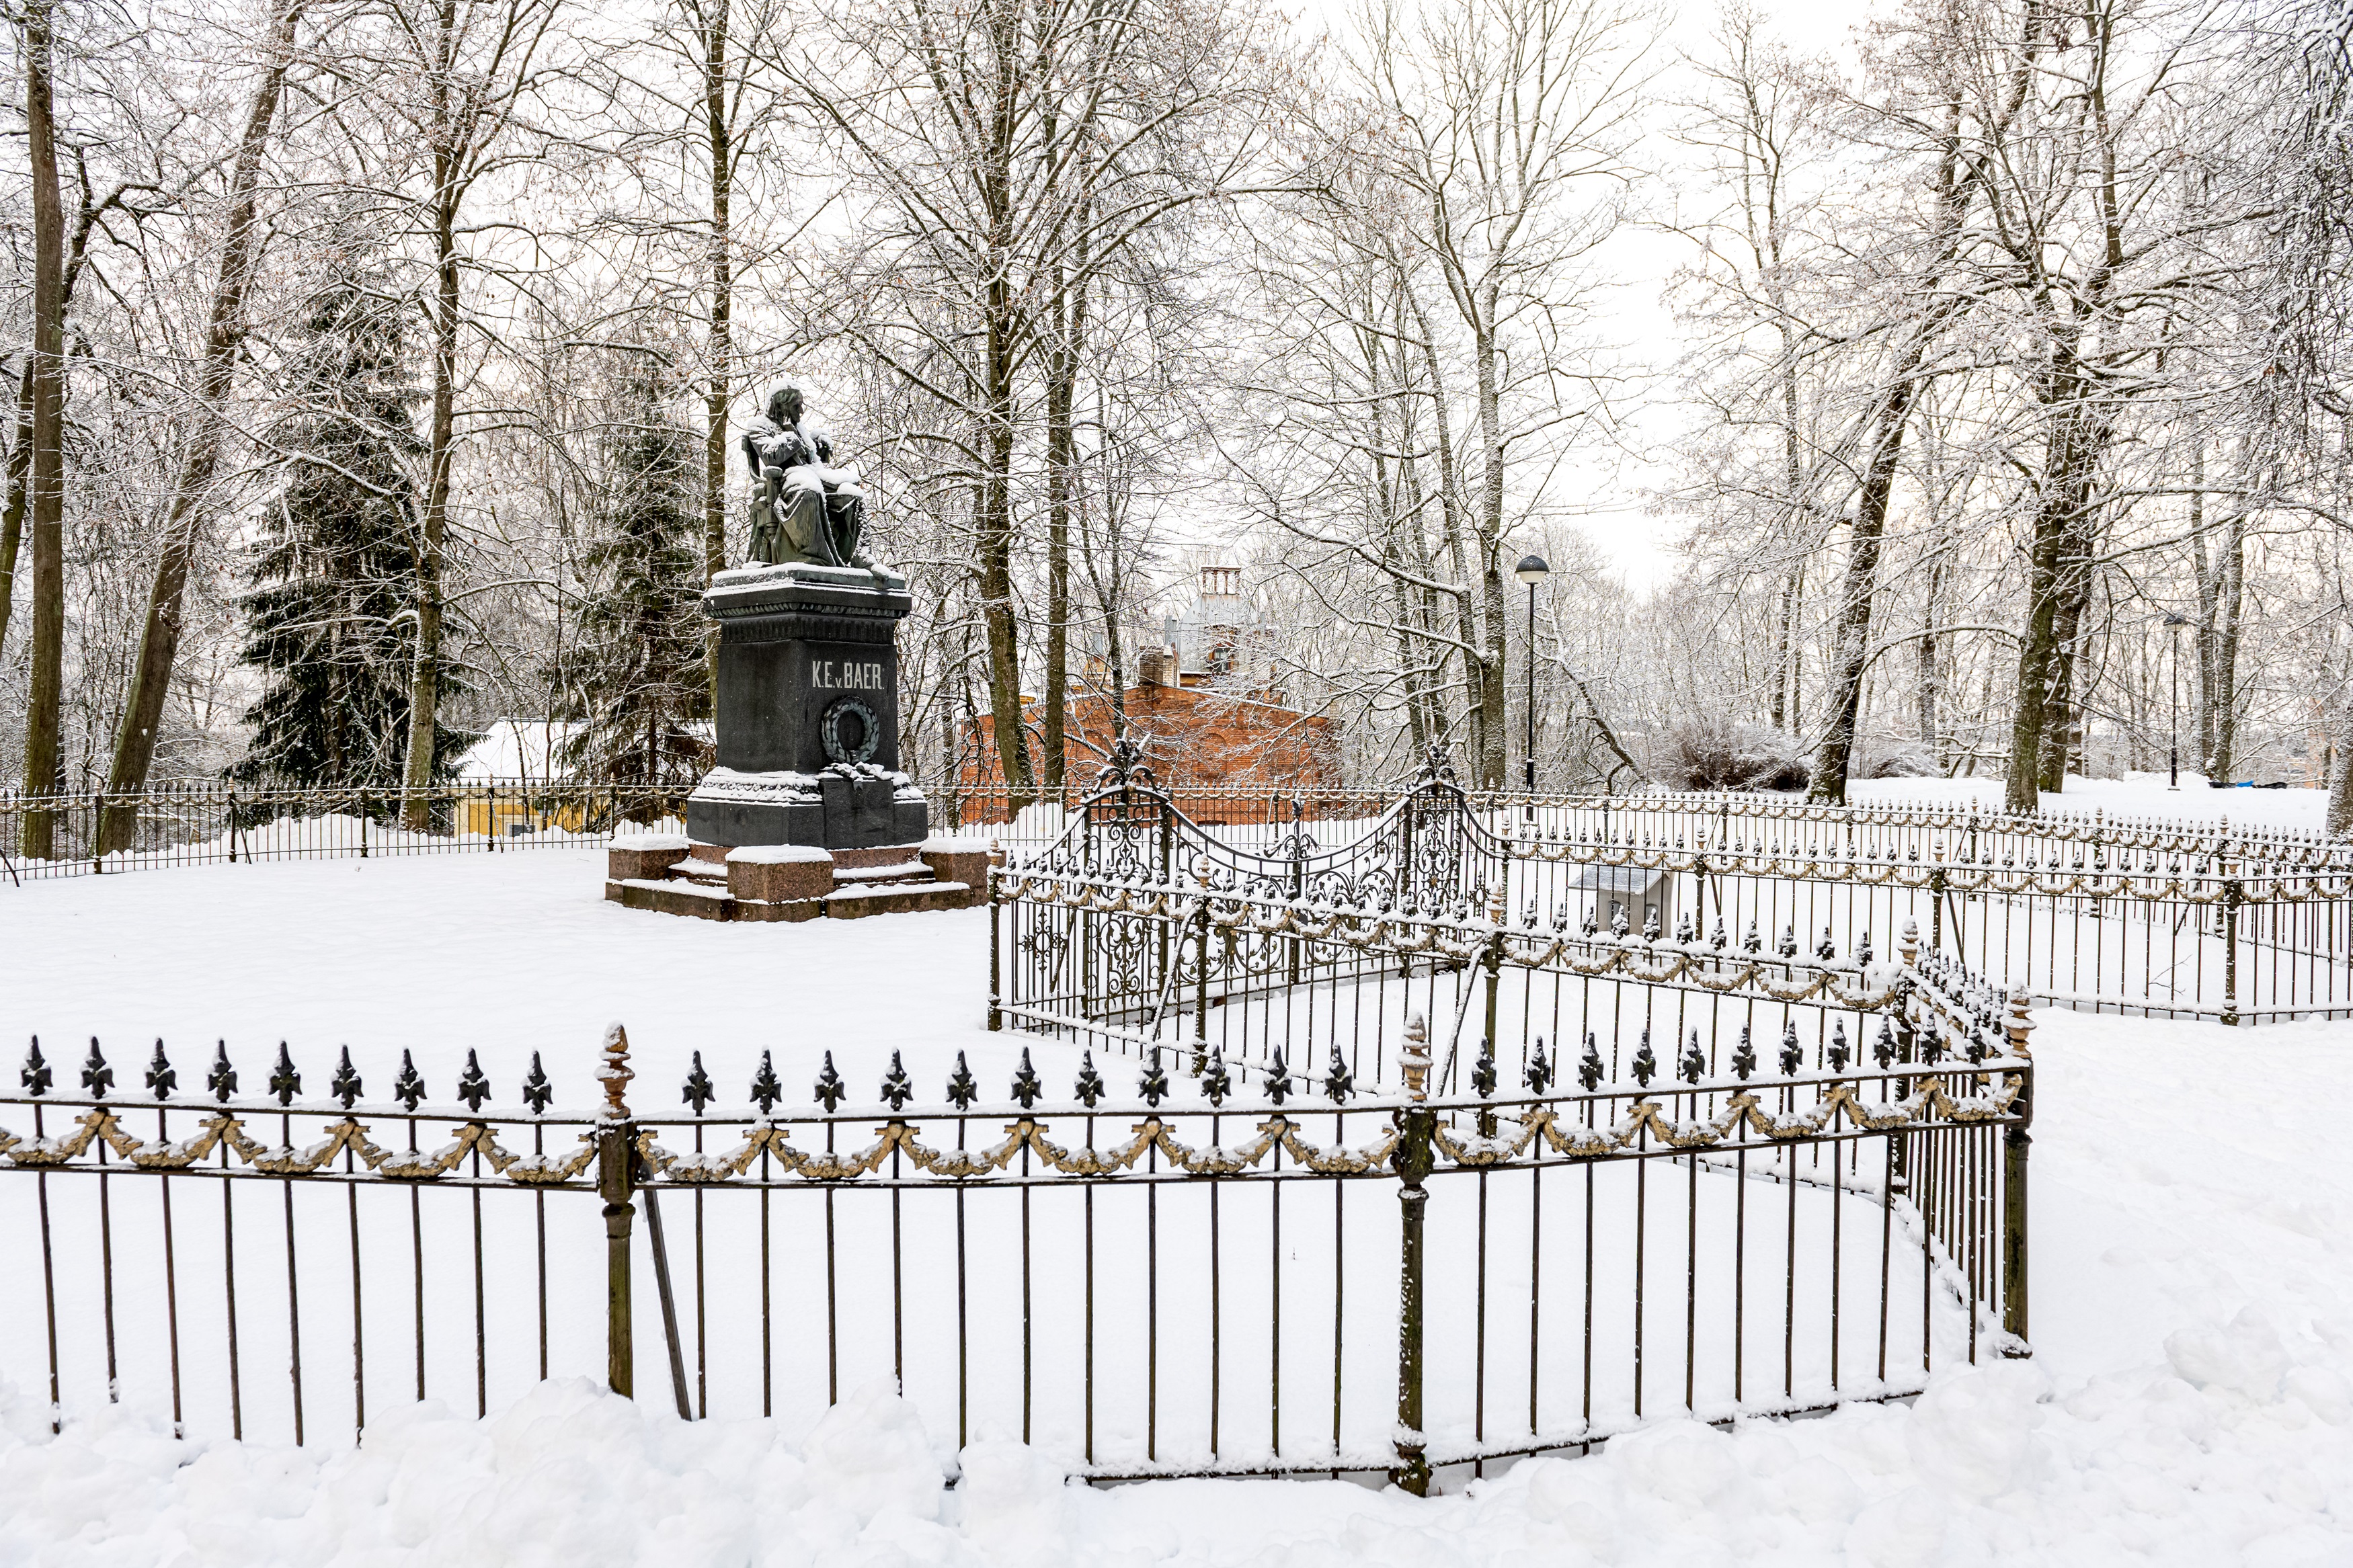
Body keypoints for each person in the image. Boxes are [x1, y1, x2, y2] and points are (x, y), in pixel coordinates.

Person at [742, 383, 867, 567]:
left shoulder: (799, 427)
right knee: (809, 490)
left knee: (853, 496)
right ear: (780, 406)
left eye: (801, 405)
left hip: (812, 475)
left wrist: (818, 443)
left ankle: (861, 557)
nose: (802, 411)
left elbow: (812, 458)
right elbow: (771, 457)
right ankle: (813, 557)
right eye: (796, 406)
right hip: (784, 481)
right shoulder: (759, 426)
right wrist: (790, 435)